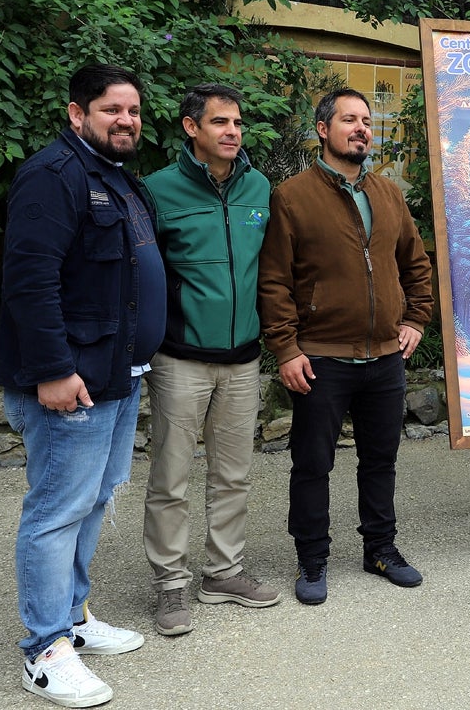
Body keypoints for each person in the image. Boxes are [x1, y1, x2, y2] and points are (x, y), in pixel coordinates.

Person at [0, 64, 166, 707]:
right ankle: (44, 650)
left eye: (134, 110)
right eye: (111, 110)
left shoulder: (117, 180)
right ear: (76, 113)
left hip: (119, 376)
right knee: (57, 511)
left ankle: (74, 617)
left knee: (94, 500)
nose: (126, 120)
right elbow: (29, 283)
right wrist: (53, 372)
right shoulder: (52, 176)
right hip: (75, 381)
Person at [258, 88, 434, 604]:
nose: (361, 128)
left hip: (384, 356)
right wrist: (287, 350)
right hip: (321, 358)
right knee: (312, 464)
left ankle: (381, 548)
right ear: (322, 129)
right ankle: (312, 560)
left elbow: (415, 265)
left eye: (366, 120)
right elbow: (274, 281)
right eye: (348, 120)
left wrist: (417, 320)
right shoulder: (292, 196)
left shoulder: (388, 194)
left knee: (381, 461)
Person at [139, 83, 280, 636]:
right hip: (180, 358)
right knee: (170, 476)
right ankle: (170, 584)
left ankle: (223, 572)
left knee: (233, 475)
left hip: (244, 358)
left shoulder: (259, 187)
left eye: (238, 123)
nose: (232, 132)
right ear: (190, 127)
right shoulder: (157, 190)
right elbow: (142, 274)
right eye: (220, 122)